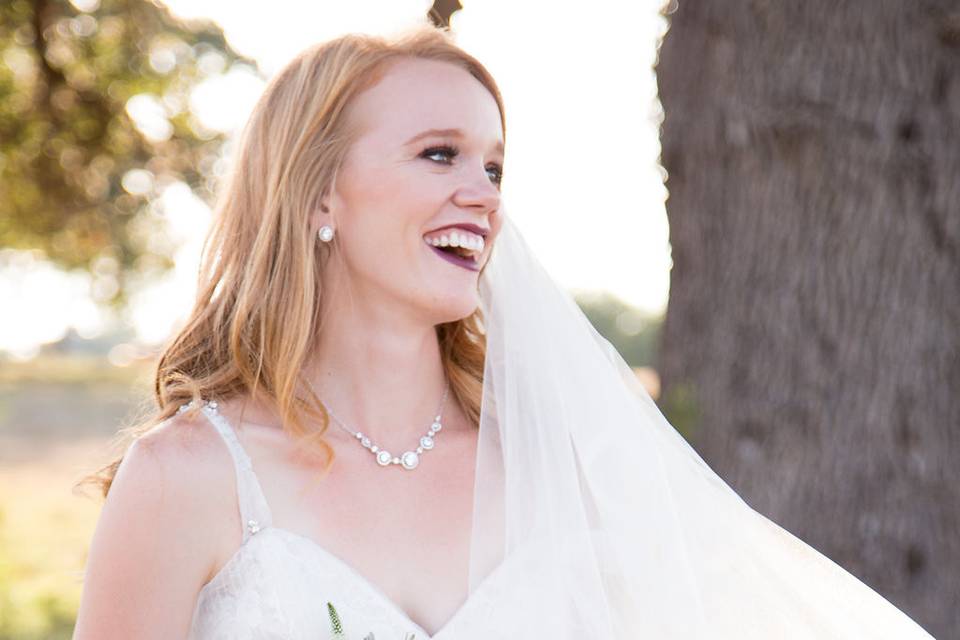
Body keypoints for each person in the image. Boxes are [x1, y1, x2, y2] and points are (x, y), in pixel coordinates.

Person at [72, 25, 936, 640]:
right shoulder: (186, 478)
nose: (485, 196)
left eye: (493, 166)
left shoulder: (560, 473)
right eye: (438, 155)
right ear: (317, 195)